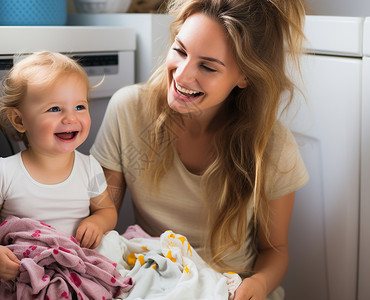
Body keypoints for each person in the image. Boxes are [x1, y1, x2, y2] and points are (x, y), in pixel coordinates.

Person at [91, 0, 309, 299]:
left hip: (232, 287)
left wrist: (256, 285)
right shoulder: (129, 110)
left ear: (245, 76)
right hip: (157, 281)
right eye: (180, 51)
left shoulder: (271, 144)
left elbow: (274, 250)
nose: (181, 75)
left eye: (207, 66)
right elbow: (101, 217)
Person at [0, 51, 117, 295]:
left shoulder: (89, 167)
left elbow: (107, 210)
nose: (71, 117)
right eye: (55, 109)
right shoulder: (4, 172)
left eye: (80, 106)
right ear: (19, 120)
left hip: (75, 270)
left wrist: (97, 222)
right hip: (22, 273)